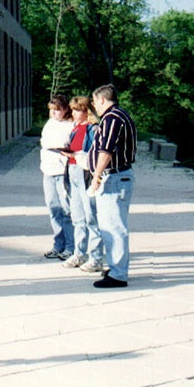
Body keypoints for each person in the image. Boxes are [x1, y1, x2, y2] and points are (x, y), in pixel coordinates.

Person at [88, 84, 137, 288]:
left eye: (94, 102)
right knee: (112, 225)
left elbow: (105, 150)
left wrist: (96, 176)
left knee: (113, 227)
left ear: (101, 99)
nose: (94, 107)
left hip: (114, 178)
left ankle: (118, 274)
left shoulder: (111, 118)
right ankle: (117, 267)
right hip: (119, 177)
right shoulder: (121, 115)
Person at [60, 96, 103, 272]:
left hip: (85, 173)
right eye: (73, 109)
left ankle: (96, 257)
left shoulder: (92, 129)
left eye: (78, 110)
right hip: (72, 172)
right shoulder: (75, 129)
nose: (74, 113)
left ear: (87, 111)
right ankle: (79, 252)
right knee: (77, 217)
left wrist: (76, 155)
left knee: (91, 217)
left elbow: (95, 154)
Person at [40, 94, 75, 260]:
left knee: (66, 209)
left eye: (57, 110)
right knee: (53, 208)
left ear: (65, 110)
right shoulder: (49, 124)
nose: (54, 113)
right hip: (48, 170)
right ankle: (58, 244)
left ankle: (71, 246)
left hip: (62, 172)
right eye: (51, 110)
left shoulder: (70, 125)